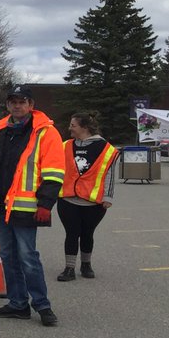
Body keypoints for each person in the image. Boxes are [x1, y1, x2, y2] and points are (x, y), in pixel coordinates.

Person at [0, 84, 64, 327]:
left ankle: (42, 305)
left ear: (31, 105)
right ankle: (18, 304)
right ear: (7, 105)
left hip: (28, 206)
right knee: (7, 256)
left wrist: (46, 203)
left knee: (28, 257)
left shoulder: (46, 133)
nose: (17, 105)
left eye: (22, 101)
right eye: (13, 101)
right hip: (2, 205)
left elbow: (54, 172)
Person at [56, 112, 118, 282]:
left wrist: (108, 196)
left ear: (84, 127)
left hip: (93, 202)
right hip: (68, 199)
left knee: (87, 233)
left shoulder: (106, 149)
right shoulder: (64, 146)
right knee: (71, 233)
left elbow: (110, 174)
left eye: (73, 125)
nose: (69, 129)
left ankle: (86, 265)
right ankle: (69, 268)